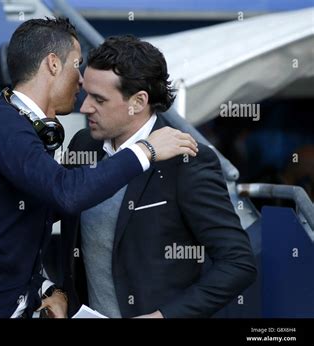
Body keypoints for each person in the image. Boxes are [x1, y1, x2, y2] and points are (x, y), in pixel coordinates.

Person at [0, 20, 198, 318]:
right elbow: (67, 194)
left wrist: (46, 288)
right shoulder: (2, 126)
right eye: (77, 65)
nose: (82, 80)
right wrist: (146, 150)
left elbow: (11, 234)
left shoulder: (19, 131)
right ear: (52, 64)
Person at [60, 35, 257, 318]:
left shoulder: (187, 159)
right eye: (86, 93)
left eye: (99, 99)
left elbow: (238, 263)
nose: (85, 107)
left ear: (138, 102)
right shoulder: (83, 145)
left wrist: (165, 316)